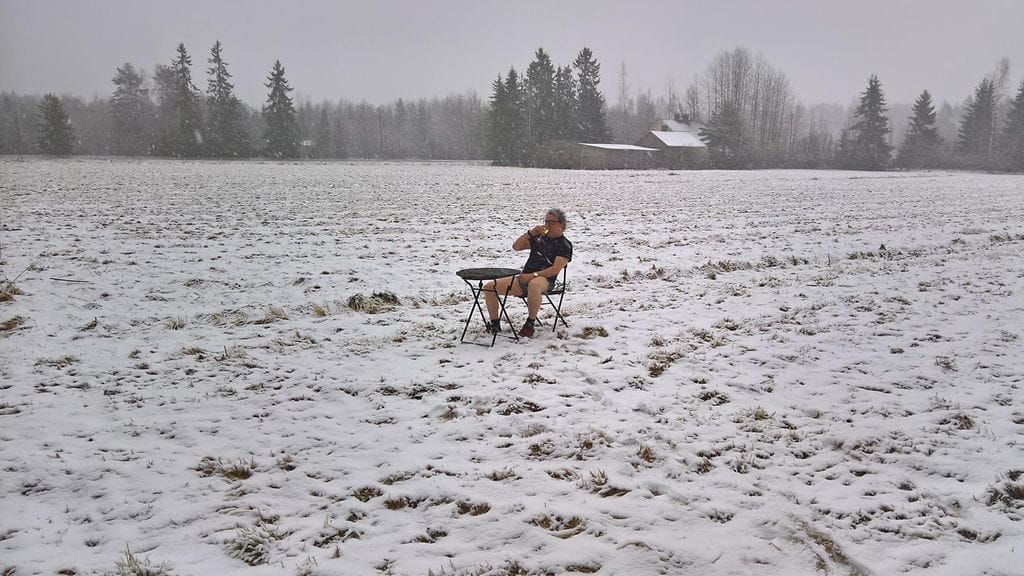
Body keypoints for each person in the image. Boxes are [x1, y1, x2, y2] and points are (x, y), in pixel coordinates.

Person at [483, 208, 573, 338]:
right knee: (489, 287)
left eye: (551, 222)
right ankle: (495, 323)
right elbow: (516, 247)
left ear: (561, 224)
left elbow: (554, 269)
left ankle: (530, 324)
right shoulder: (539, 238)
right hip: (524, 277)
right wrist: (530, 233)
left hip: (545, 280)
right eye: (546, 221)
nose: (547, 225)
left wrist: (533, 275)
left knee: (534, 284)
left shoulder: (564, 245)